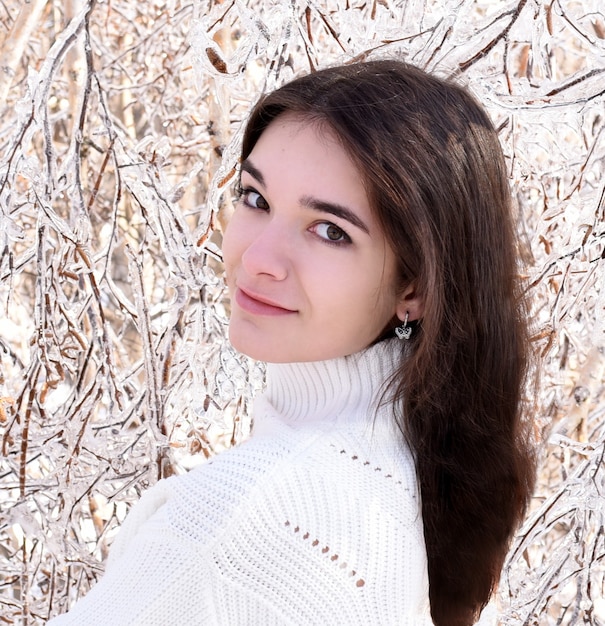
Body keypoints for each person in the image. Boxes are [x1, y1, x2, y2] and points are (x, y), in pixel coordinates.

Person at [48, 60, 535, 626]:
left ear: (416, 286)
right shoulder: (409, 470)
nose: (256, 261)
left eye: (330, 230)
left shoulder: (245, 520)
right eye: (255, 199)